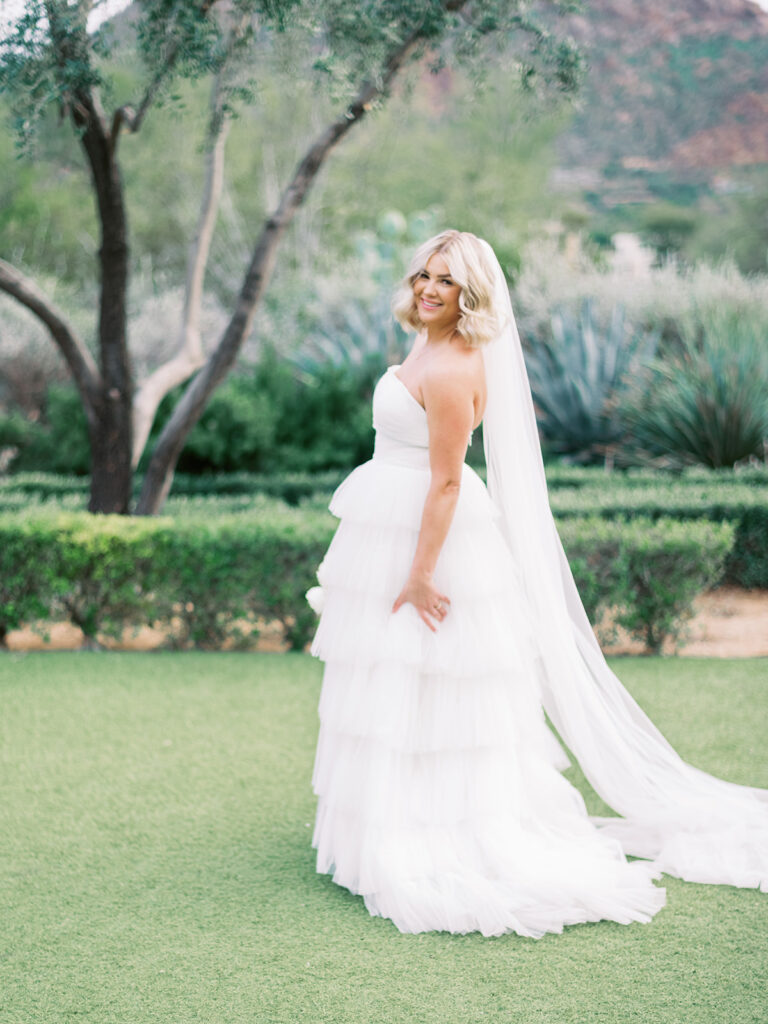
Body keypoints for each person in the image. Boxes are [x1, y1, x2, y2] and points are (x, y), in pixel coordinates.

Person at [308, 230, 768, 938]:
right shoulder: (426, 343)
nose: (429, 289)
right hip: (390, 526)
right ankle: (388, 821)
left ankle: (435, 833)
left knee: (431, 681)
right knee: (393, 681)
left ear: (473, 296)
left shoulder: (457, 368)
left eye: (447, 282)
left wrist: (422, 576)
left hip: (428, 543)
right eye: (425, 275)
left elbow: (448, 481)